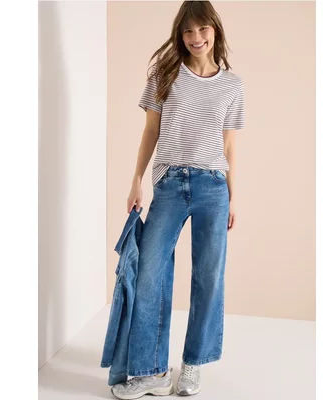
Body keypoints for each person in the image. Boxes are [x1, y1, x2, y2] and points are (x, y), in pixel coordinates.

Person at [110, 1, 244, 399]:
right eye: (188, 31)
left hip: (213, 188)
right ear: (179, 34)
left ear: (215, 30)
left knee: (208, 277)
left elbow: (228, 145)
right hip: (169, 184)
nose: (196, 38)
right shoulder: (165, 73)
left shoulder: (233, 85)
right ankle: (152, 371)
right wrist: (136, 180)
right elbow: (150, 131)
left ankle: (192, 364)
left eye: (203, 29)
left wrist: (233, 195)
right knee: (149, 274)